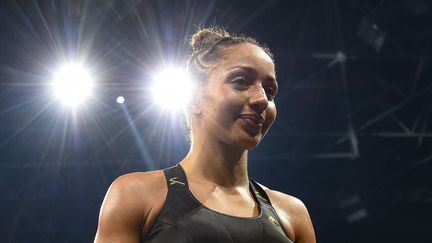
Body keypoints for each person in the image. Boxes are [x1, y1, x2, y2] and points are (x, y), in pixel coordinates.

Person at [94, 27, 316, 243]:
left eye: (270, 91)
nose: (262, 100)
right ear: (193, 99)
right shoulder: (136, 195)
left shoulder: (292, 213)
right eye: (240, 82)